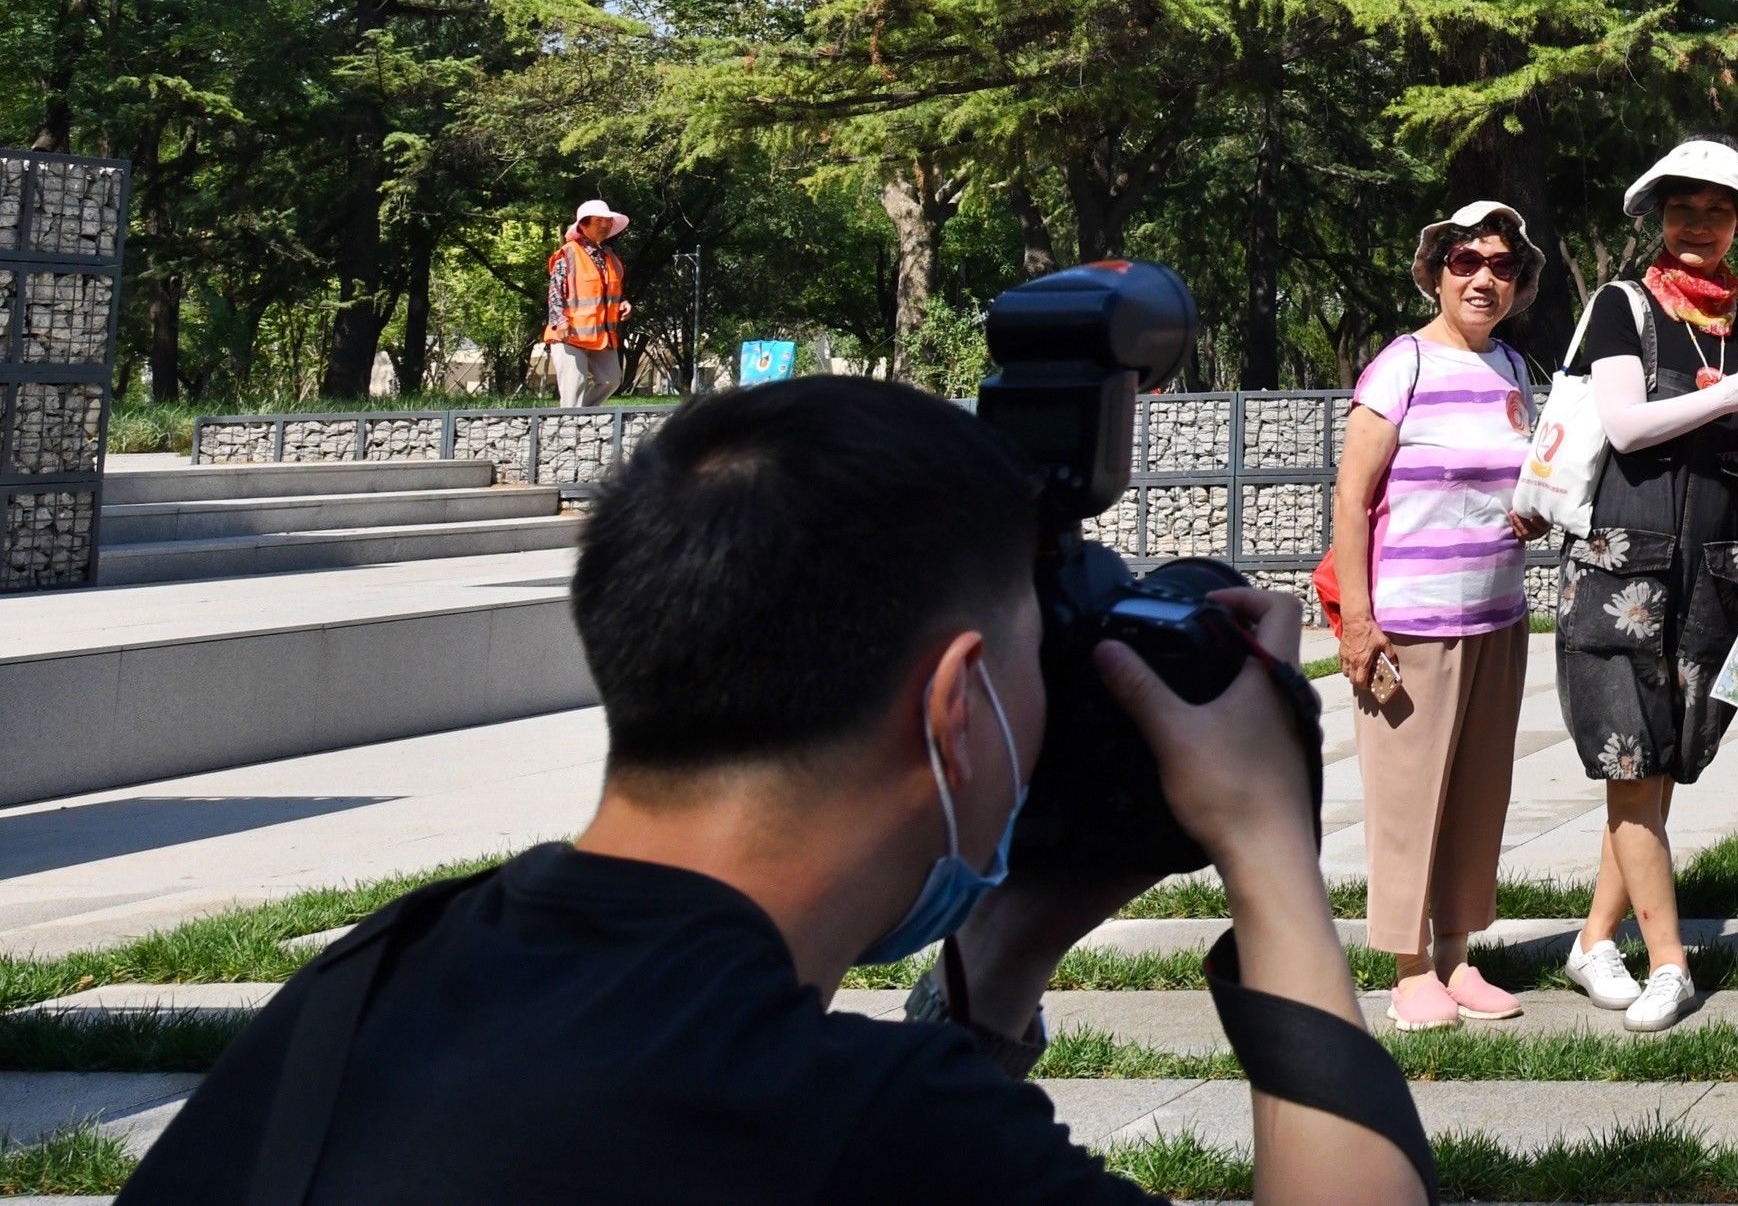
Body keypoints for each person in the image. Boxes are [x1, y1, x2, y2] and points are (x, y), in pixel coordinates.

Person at [122, 375, 1423, 1206]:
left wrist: (1004, 957)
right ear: (958, 708)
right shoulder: (866, 1129)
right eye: (1049, 651)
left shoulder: (375, 978)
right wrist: (1266, 844)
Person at [1552, 137, 1738, 1036]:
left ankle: (1589, 942)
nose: (1699, 223)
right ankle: (1669, 964)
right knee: (1630, 773)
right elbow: (1626, 424)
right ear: (1658, 216)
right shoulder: (1622, 306)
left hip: (1715, 582)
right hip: (1621, 579)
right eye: (1683, 206)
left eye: (1718, 209)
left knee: (1658, 776)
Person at [1327, 201, 1550, 1032]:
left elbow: (1525, 479)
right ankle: (1408, 963)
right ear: (1435, 271)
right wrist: (1357, 619)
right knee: (1408, 796)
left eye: (1500, 264)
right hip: (1410, 621)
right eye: (1465, 260)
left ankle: (1457, 953)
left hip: (1498, 614)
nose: (1482, 277)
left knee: (1477, 795)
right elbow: (1350, 498)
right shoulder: (1402, 364)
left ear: (1519, 282)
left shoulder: (1515, 370)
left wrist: (1534, 510)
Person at [543, 199, 632, 408]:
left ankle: (584, 417)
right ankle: (571, 427)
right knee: (574, 386)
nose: (605, 225)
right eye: (598, 220)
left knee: (611, 379)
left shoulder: (610, 257)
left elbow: (608, 292)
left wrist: (623, 304)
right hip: (570, 334)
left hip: (601, 335)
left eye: (607, 221)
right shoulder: (569, 254)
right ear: (583, 224)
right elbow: (555, 291)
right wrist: (560, 322)